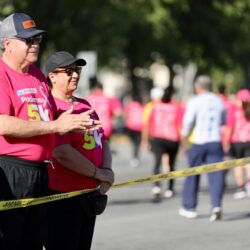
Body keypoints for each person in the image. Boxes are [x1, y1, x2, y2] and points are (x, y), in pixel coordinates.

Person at [0, 13, 101, 250]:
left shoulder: (36, 74)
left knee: (33, 242)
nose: (34, 44)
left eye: (37, 39)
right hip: (11, 170)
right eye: (27, 40)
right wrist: (56, 126)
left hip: (40, 172)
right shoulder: (2, 74)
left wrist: (75, 120)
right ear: (7, 44)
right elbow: (3, 123)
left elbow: (49, 112)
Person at [42, 51, 115, 250]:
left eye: (77, 70)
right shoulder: (50, 107)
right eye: (69, 71)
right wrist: (99, 173)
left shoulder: (84, 104)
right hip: (64, 196)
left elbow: (103, 141)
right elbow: (62, 152)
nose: (75, 74)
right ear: (52, 76)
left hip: (89, 194)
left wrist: (107, 171)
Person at [179, 75, 226, 221]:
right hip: (215, 140)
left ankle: (190, 206)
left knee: (193, 172)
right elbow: (224, 121)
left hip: (199, 141)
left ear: (198, 86)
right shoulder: (219, 101)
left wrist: (184, 140)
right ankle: (216, 205)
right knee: (216, 174)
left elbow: (187, 122)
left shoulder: (195, 101)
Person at [142, 86, 183, 201]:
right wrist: (183, 143)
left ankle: (156, 186)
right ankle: (170, 188)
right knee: (171, 164)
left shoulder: (156, 107)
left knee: (157, 163)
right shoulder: (176, 108)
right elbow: (179, 126)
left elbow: (148, 125)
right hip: (172, 139)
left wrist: (145, 140)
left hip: (158, 138)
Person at [223, 89, 250, 199]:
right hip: (248, 141)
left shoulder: (234, 110)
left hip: (236, 142)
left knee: (238, 165)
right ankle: (249, 183)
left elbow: (230, 128)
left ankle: (240, 187)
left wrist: (225, 141)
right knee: (248, 164)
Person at [124, 95, 144, 167]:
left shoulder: (130, 105)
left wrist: (126, 122)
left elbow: (125, 114)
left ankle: (134, 157)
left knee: (133, 142)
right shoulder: (142, 106)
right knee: (137, 143)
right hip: (139, 127)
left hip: (131, 126)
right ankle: (135, 157)